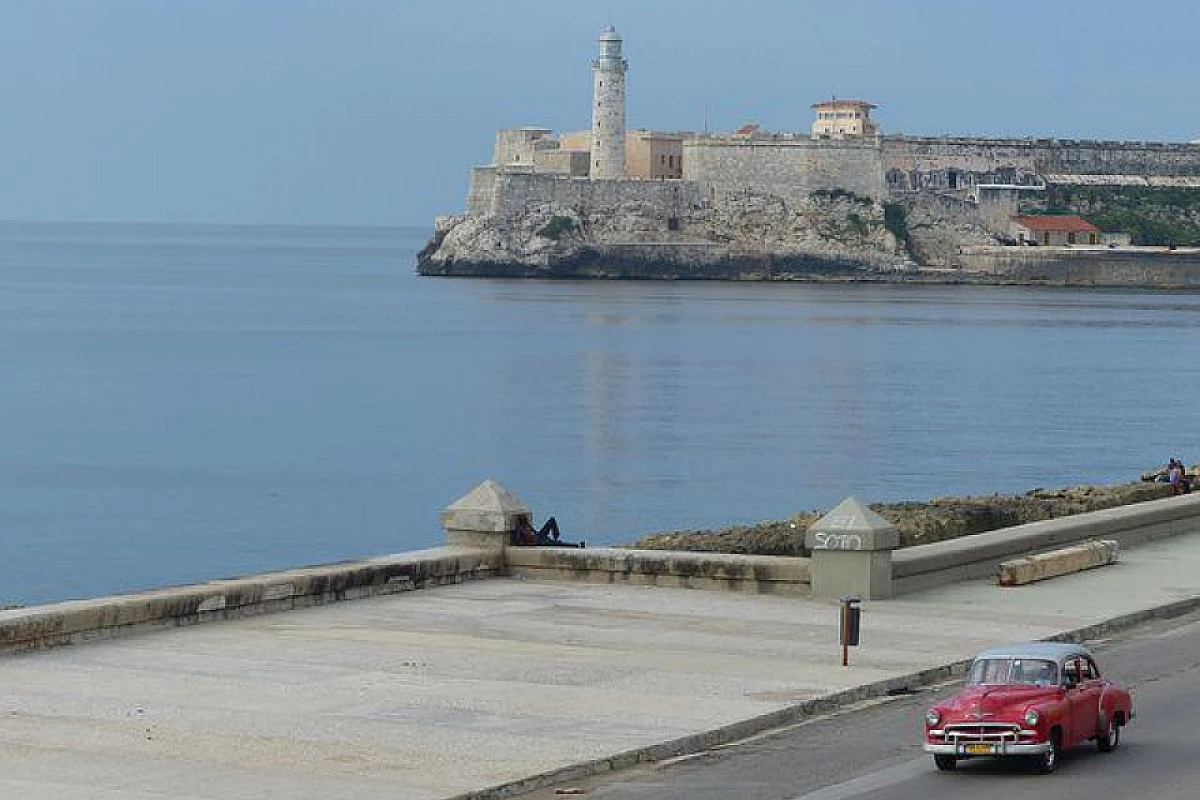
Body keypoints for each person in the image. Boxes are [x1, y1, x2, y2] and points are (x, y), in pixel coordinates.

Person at [511, 515, 585, 548]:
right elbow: (519, 542)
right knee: (558, 544)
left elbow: (534, 531)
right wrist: (530, 543)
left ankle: (556, 536)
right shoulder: (519, 528)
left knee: (551, 520)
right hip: (538, 541)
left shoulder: (527, 525)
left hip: (539, 536)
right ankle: (576, 545)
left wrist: (536, 533)